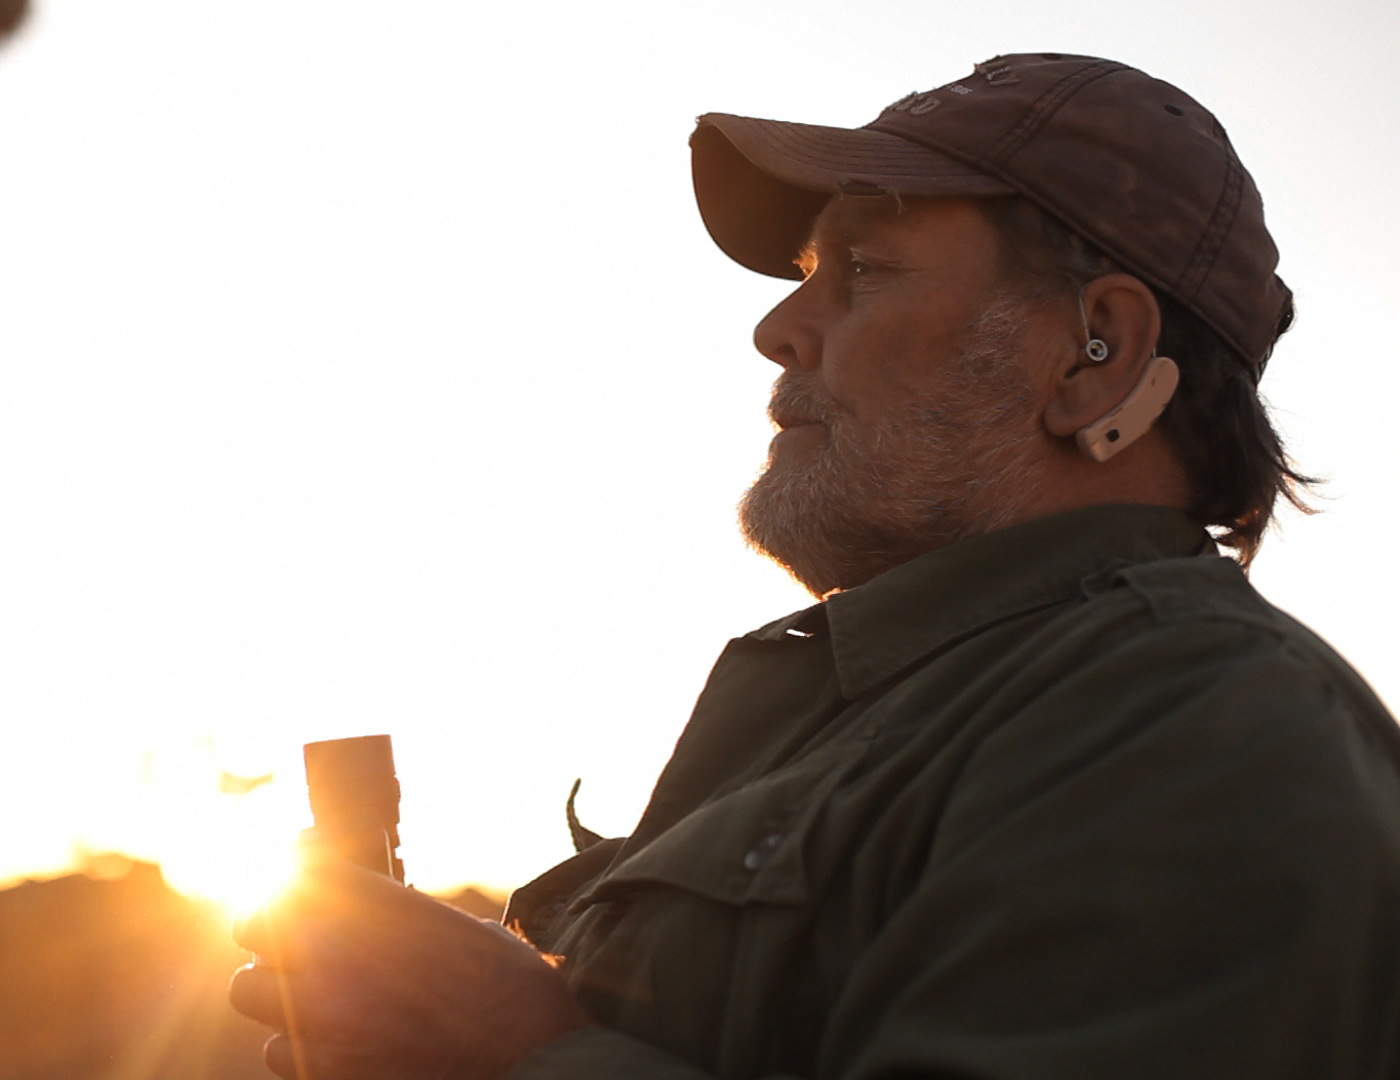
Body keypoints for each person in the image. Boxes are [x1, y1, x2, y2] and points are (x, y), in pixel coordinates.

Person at [228, 53, 1400, 1080]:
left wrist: (506, 1047)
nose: (779, 329)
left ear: (1099, 354)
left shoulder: (1200, 726)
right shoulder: (921, 703)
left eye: (865, 270)